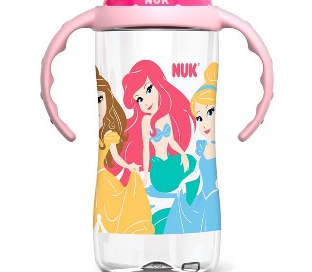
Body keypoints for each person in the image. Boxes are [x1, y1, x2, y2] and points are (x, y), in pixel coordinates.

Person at [121, 60, 197, 233]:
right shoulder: (145, 121)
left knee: (191, 161)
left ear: (159, 86)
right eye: (139, 99)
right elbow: (145, 150)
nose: (146, 101)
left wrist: (182, 154)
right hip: (158, 170)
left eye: (149, 89)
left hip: (170, 161)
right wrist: (145, 177)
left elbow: (171, 141)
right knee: (177, 179)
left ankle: (187, 201)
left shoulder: (165, 117)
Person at [93, 67, 154, 234]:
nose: (98, 103)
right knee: (108, 211)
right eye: (97, 98)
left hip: (106, 178)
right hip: (104, 178)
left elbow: (116, 157)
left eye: (101, 98)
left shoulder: (110, 133)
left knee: (114, 211)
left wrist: (129, 166)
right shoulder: (103, 130)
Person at [164, 62, 221, 233]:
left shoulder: (210, 148)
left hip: (209, 199)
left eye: (209, 112)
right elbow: (197, 172)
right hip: (204, 197)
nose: (203, 123)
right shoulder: (205, 147)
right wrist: (184, 182)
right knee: (180, 205)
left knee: (181, 210)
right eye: (199, 118)